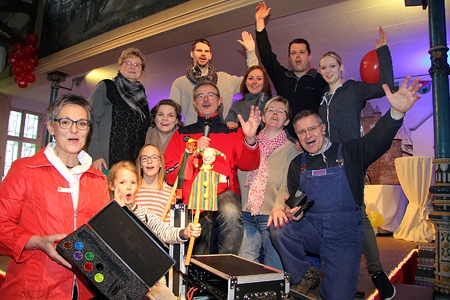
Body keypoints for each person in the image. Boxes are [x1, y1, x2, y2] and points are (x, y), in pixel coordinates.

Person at [269, 76, 422, 299]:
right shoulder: (297, 164)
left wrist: (395, 114)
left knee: (336, 296)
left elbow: (377, 140)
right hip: (313, 229)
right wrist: (292, 212)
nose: (308, 135)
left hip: (344, 235)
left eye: (312, 129)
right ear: (298, 137)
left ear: (322, 128)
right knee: (278, 228)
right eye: (301, 132)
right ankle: (304, 274)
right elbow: (296, 200)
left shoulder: (350, 152)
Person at [0, 94, 110, 299]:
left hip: (86, 289)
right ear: (51, 126)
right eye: (66, 122)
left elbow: (104, 237)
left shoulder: (98, 179)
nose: (74, 130)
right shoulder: (25, 170)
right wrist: (37, 241)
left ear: (88, 130)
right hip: (34, 288)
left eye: (82, 123)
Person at [318, 28, 396, 300]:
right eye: (323, 67)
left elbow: (386, 84)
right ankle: (330, 273)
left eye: (331, 66)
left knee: (357, 214)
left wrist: (383, 52)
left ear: (341, 67)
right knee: (328, 214)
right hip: (326, 162)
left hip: (350, 157)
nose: (327, 70)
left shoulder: (353, 89)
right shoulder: (322, 99)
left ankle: (376, 271)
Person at [165, 81, 261, 255]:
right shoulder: (181, 134)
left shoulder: (232, 131)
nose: (206, 99)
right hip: (192, 197)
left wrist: (251, 139)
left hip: (224, 193)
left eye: (211, 95)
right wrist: (190, 152)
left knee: (231, 213)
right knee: (199, 244)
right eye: (200, 96)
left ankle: (226, 267)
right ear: (194, 103)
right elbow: (171, 176)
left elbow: (249, 165)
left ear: (220, 100)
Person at [109, 160, 201, 300]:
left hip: (148, 279)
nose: (128, 187)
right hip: (117, 281)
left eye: (133, 183)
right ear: (112, 185)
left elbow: (165, 231)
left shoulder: (145, 214)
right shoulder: (105, 216)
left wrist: (184, 232)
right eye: (122, 182)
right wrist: (119, 212)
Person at [238, 96, 299, 270]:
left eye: (281, 111)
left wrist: (279, 205)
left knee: (274, 269)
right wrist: (249, 141)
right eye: (271, 109)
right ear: (263, 118)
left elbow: (288, 184)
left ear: (286, 121)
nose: (275, 113)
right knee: (245, 266)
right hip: (246, 212)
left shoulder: (292, 150)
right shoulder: (249, 142)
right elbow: (240, 171)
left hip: (272, 216)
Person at [254, 1, 327, 137]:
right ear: (289, 58)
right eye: (293, 53)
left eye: (302, 52)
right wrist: (260, 22)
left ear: (309, 56)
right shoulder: (283, 77)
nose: (297, 56)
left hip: (310, 139)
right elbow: (267, 56)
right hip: (284, 140)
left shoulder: (320, 80)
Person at [169, 31, 259, 126]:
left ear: (210, 55)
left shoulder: (225, 79)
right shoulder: (180, 83)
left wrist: (251, 52)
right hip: (194, 135)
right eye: (199, 51)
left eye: (206, 51)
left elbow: (252, 81)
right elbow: (171, 114)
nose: (203, 54)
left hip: (223, 133)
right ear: (192, 53)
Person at [88, 47, 151, 172]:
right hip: (106, 162)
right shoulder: (107, 87)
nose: (132, 67)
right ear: (120, 66)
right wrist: (95, 155)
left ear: (142, 70)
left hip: (132, 165)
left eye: (137, 64)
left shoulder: (142, 98)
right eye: (128, 63)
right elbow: (90, 121)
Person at [224, 65, 272, 130]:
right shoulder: (237, 105)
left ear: (264, 82)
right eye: (250, 78)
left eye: (259, 79)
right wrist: (231, 124)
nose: (254, 82)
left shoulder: (272, 104)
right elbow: (228, 124)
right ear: (245, 82)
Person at [135, 144, 173, 223]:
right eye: (145, 158)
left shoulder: (170, 192)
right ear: (140, 164)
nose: (149, 161)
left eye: (154, 158)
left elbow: (170, 225)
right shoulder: (133, 189)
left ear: (160, 163)